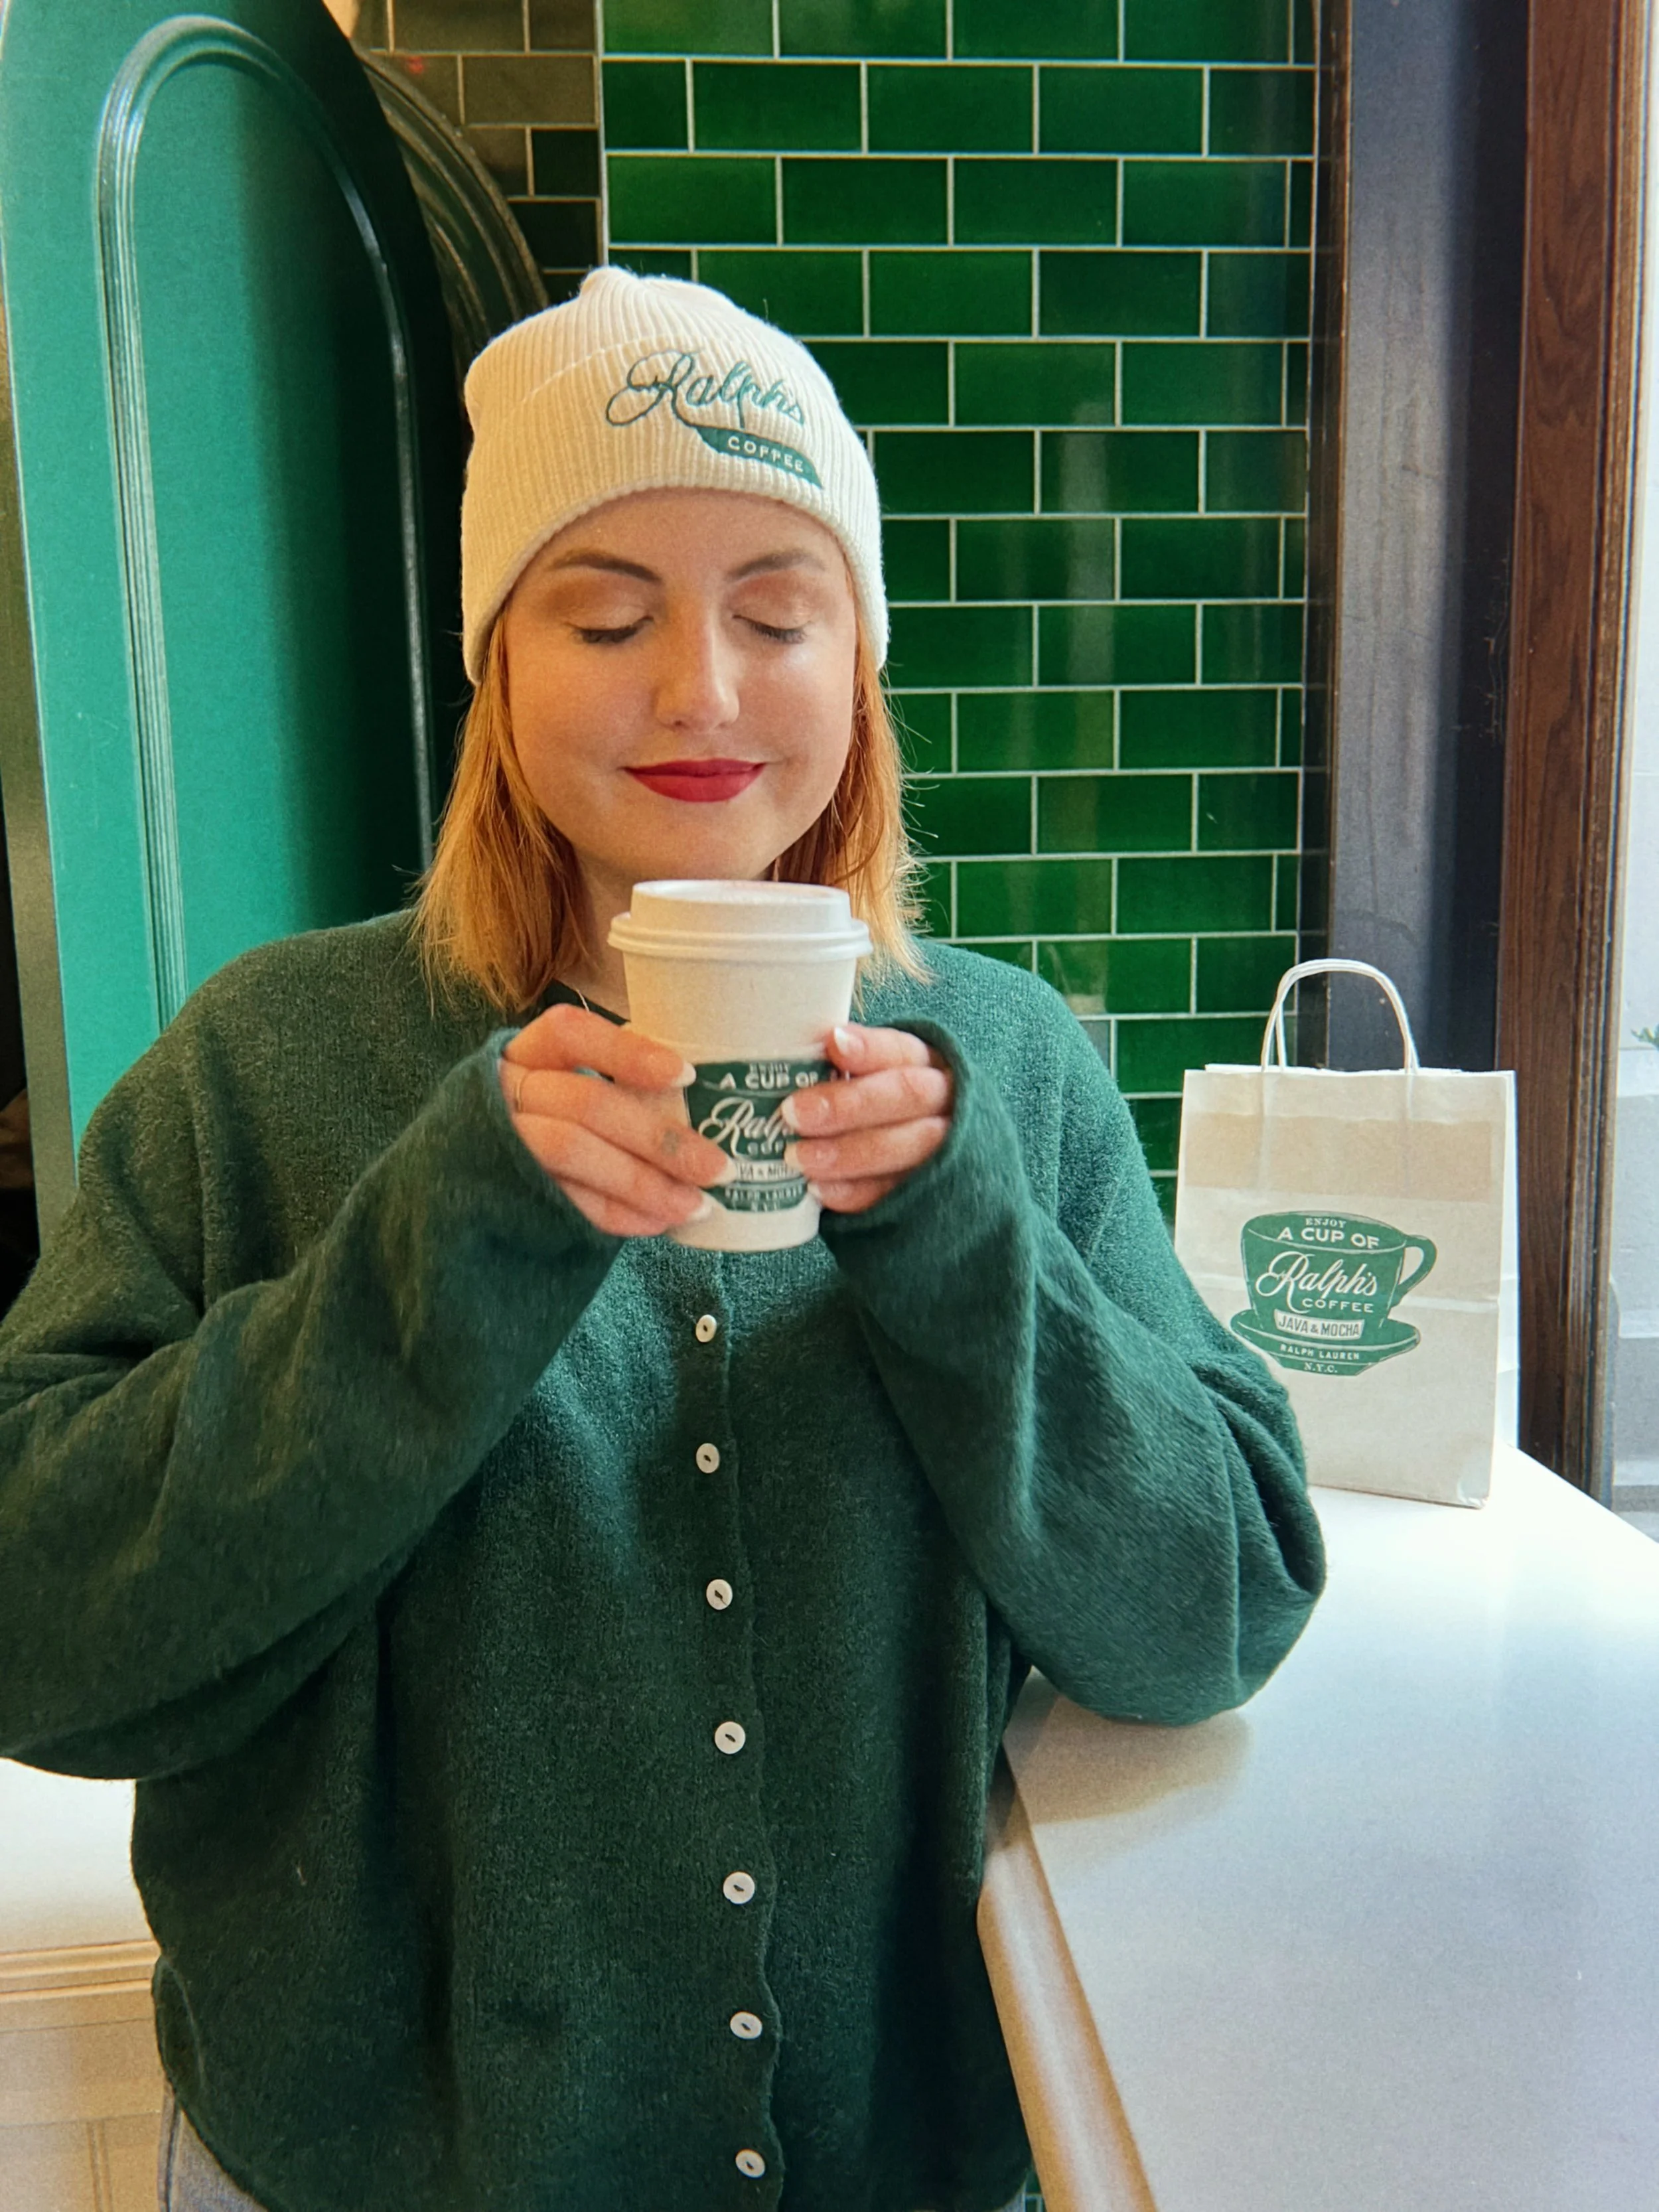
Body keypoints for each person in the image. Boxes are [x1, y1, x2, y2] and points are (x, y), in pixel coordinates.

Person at [0, 268, 1325, 2212]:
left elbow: (1217, 1613)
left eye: (778, 615)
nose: (702, 689)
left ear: (857, 668)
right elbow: (40, 1634)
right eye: (605, 616)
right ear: (497, 666)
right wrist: (448, 1242)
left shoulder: (1009, 1071)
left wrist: (962, 1247)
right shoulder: (266, 1069)